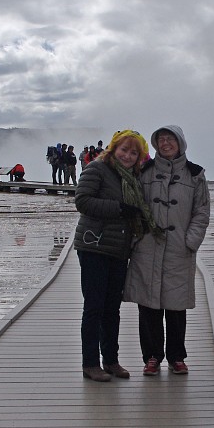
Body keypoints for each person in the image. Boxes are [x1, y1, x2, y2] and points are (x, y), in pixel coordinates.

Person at [124, 125, 211, 376]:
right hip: (148, 248)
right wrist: (137, 238)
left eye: (170, 139)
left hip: (178, 249)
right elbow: (133, 205)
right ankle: (151, 357)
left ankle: (176, 357)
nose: (165, 143)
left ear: (180, 142)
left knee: (175, 306)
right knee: (148, 305)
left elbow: (202, 211)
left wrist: (190, 241)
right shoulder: (145, 172)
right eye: (161, 140)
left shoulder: (195, 174)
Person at [73, 129, 158, 382]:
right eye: (124, 150)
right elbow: (83, 201)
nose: (128, 156)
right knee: (94, 307)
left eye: (134, 152)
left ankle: (111, 360)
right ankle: (90, 363)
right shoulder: (97, 169)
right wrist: (119, 208)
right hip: (94, 246)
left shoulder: (134, 177)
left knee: (112, 309)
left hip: (119, 249)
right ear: (113, 149)